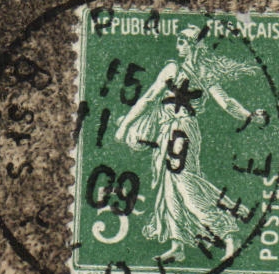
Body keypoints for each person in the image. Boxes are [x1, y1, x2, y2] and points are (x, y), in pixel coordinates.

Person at [113, 27, 267, 262]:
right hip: (167, 132)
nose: (178, 46)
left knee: (185, 184)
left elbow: (225, 102)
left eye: (183, 42)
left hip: (183, 132)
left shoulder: (203, 72)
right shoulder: (173, 69)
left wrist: (248, 115)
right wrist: (125, 125)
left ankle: (228, 234)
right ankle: (178, 244)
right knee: (169, 188)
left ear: (195, 45)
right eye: (179, 41)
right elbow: (148, 98)